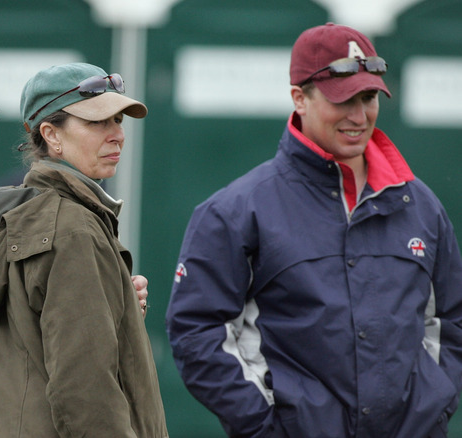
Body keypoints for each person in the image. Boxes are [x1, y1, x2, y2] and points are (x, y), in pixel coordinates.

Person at [166, 22, 462, 438]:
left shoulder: (420, 206)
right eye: (343, 100)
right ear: (299, 99)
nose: (359, 116)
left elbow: (452, 320)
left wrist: (433, 406)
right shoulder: (235, 211)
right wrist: (266, 427)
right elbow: (197, 332)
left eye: (369, 97)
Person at [0, 62, 167, 437]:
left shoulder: (32, 213)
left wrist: (119, 307)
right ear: (51, 135)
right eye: (99, 122)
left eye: (118, 120)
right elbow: (85, 394)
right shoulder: (73, 229)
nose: (117, 135)